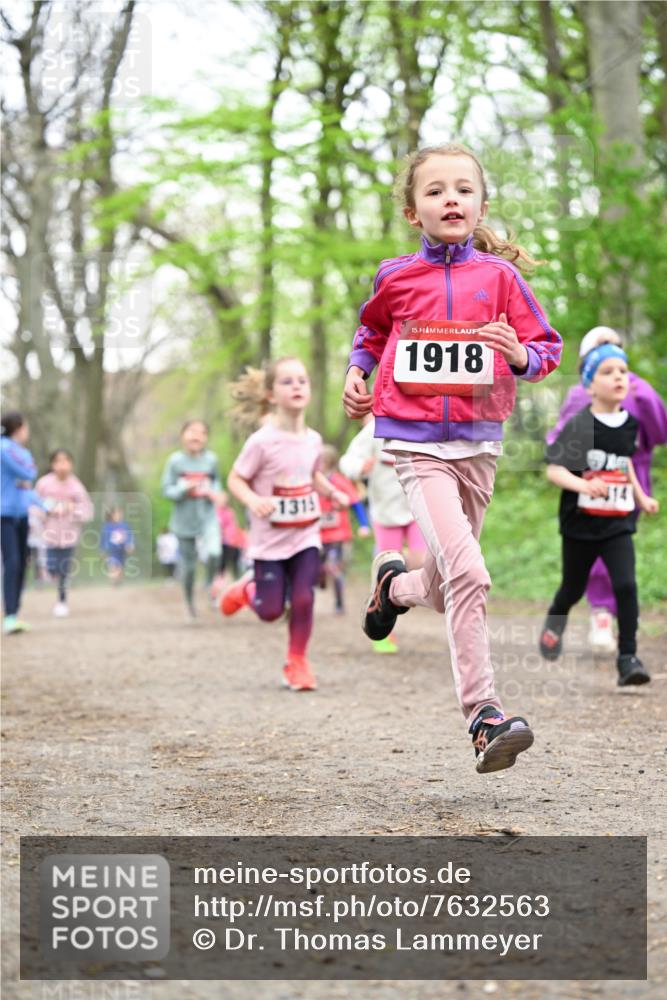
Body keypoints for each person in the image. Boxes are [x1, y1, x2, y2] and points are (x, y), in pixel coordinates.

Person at [342, 141, 562, 773]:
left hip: (479, 443)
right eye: (435, 191)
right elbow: (373, 332)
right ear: (414, 211)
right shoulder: (395, 276)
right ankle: (484, 716)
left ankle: (393, 588)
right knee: (470, 574)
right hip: (413, 442)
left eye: (464, 189)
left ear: (481, 205)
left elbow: (545, 348)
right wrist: (358, 371)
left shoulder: (500, 280)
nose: (451, 200)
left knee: (444, 585)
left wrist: (518, 355)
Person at [220, 357, 349, 691]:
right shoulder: (262, 442)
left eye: (302, 381)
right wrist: (253, 500)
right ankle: (247, 590)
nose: (296, 387)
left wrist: (332, 492)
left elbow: (313, 475)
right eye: (287, 382)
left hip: (305, 535)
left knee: (304, 598)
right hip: (269, 542)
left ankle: (297, 663)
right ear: (271, 394)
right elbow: (236, 479)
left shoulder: (313, 440)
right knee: (270, 611)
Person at [539, 344, 659, 685]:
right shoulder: (581, 425)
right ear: (590, 386)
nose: (618, 377)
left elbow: (625, 464)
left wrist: (641, 497)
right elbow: (554, 470)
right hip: (580, 525)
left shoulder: (631, 424)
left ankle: (628, 658)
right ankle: (554, 622)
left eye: (622, 371)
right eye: (607, 372)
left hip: (618, 522)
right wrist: (583, 485)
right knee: (572, 589)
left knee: (626, 585)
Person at [339, 414, 427, 653]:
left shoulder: (422, 420)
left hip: (416, 508)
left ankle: (391, 591)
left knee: (420, 563)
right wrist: (359, 468)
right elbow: (348, 460)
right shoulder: (375, 428)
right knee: (389, 573)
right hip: (385, 513)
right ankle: (381, 625)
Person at [161, 420, 223, 620]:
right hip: (183, 521)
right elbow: (166, 490)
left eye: (201, 432)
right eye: (191, 431)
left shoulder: (211, 460)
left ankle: (210, 585)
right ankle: (189, 603)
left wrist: (216, 494)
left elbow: (217, 483)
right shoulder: (175, 461)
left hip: (207, 517)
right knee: (188, 568)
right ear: (182, 436)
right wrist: (183, 488)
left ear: (206, 438)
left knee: (214, 552)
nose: (196, 436)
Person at [36, 449, 94, 617]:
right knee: (51, 567)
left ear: (71, 464)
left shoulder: (76, 486)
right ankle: (52, 574)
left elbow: (87, 510)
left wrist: (72, 509)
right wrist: (47, 511)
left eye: (65, 461)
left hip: (70, 535)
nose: (62, 465)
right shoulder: (43, 484)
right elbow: (33, 505)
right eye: (58, 461)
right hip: (49, 533)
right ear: (52, 464)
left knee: (65, 569)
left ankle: (62, 601)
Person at [318, 444, 371, 615]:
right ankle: (321, 577)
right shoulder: (313, 481)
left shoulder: (340, 481)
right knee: (316, 568)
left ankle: (339, 604)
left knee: (335, 568)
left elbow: (356, 503)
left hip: (337, 535)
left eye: (320, 461)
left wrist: (364, 525)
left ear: (329, 463)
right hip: (317, 535)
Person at [1, 412, 39, 634]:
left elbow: (27, 483)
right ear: (18, 427)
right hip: (3, 514)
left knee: (23, 563)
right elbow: (28, 471)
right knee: (12, 562)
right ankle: (9, 616)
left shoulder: (22, 451)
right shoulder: (3, 448)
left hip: (22, 514)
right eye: (26, 427)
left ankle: (14, 614)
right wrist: (27, 472)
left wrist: (45, 506)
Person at [100, 506, 135, 585]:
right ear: (112, 515)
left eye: (120, 514)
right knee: (112, 565)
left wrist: (130, 544)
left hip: (122, 549)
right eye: (116, 514)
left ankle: (118, 581)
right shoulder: (108, 526)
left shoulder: (124, 525)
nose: (118, 516)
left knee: (120, 566)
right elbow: (104, 539)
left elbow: (129, 536)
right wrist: (102, 549)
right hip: (112, 550)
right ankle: (113, 581)